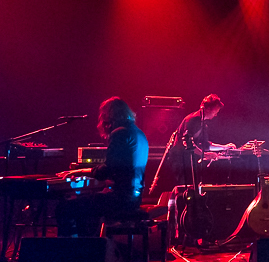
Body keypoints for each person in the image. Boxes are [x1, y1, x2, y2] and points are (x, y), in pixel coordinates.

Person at [56, 97, 149, 237]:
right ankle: (88, 245)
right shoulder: (139, 133)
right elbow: (123, 169)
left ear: (108, 116)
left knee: (65, 207)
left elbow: (106, 171)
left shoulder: (119, 132)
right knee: (85, 205)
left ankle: (73, 248)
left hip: (120, 199)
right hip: (134, 198)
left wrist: (79, 171)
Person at [167, 94, 235, 185]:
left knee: (194, 186)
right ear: (208, 109)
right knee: (186, 187)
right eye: (215, 111)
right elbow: (187, 143)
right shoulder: (192, 120)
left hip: (188, 160)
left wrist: (225, 147)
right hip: (180, 160)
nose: (216, 115)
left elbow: (205, 145)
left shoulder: (203, 124)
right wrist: (205, 155)